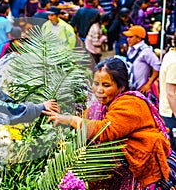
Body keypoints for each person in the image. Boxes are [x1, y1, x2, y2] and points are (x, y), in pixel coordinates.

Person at [44, 57, 174, 188]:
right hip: (125, 172)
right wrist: (62, 115)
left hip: (144, 171)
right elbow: (85, 118)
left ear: (121, 86)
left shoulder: (130, 103)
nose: (99, 90)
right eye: (96, 83)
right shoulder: (102, 105)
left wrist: (70, 120)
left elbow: (104, 130)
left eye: (106, 85)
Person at [123, 25, 160, 106]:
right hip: (130, 89)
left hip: (140, 91)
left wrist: (148, 84)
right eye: (127, 37)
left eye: (131, 37)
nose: (127, 39)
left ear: (139, 38)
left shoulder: (146, 51)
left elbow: (157, 66)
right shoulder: (131, 48)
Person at [159, 42, 176, 152]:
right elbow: (171, 93)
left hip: (167, 110)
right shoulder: (174, 62)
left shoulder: (170, 54)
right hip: (171, 112)